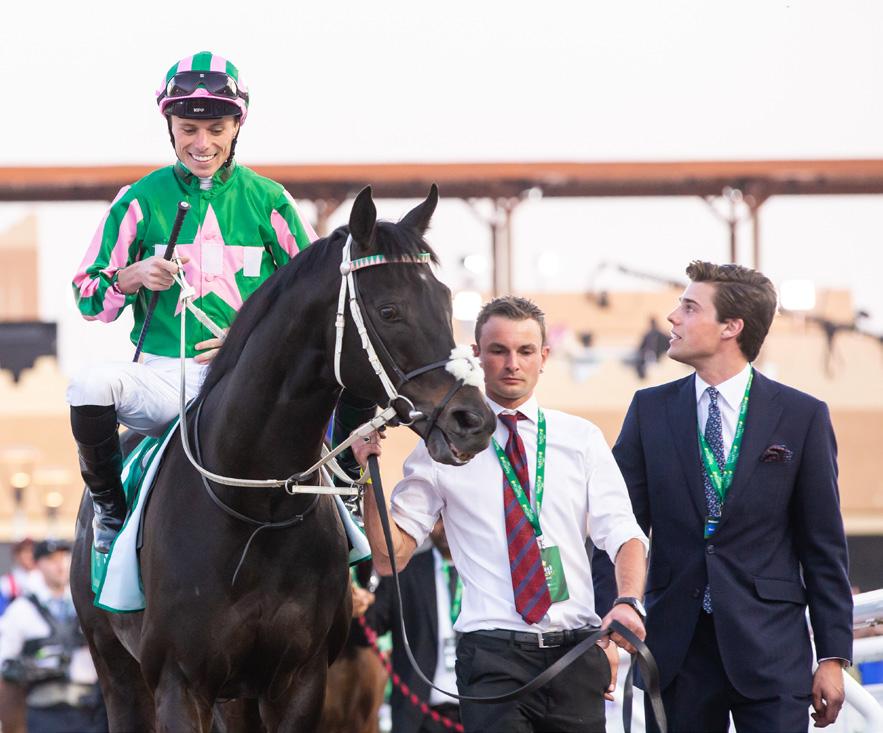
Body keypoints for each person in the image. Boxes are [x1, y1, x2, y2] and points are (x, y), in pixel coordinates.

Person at [355, 296, 649, 733]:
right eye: (499, 350)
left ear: (544, 356)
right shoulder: (442, 447)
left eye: (525, 351)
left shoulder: (581, 438)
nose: (513, 363)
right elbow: (388, 558)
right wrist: (368, 474)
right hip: (491, 657)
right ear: (476, 355)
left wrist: (628, 602)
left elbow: (624, 534)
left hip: (575, 653)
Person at [67, 51, 317, 553]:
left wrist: (247, 341)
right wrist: (130, 277)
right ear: (171, 128)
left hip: (249, 378)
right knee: (88, 385)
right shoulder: (139, 198)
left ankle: (349, 531)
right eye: (188, 129)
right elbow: (88, 298)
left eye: (216, 129)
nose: (202, 144)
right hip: (164, 378)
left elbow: (314, 299)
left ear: (236, 127)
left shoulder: (271, 199)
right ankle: (109, 510)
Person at [594, 261, 852, 732]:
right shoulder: (649, 410)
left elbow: (824, 547)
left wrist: (833, 656)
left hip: (772, 651)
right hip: (675, 650)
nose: (672, 316)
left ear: (732, 326)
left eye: (690, 307)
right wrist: (609, 616)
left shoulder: (802, 416)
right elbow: (613, 527)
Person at [365, 518, 462, 733]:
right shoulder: (403, 573)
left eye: (450, 516)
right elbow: (368, 628)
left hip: (480, 713)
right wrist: (355, 602)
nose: (445, 526)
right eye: (438, 518)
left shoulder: (486, 572)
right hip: (419, 716)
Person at [0, 540, 106, 733]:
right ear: (37, 564)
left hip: (91, 711)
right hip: (43, 712)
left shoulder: (89, 606)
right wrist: (32, 666)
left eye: (64, 557)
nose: (60, 565)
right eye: (51, 559)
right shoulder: (21, 611)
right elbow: (5, 662)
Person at [0, 539, 40, 613]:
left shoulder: (45, 580)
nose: (30, 555)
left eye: (32, 551)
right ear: (17, 556)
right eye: (25, 551)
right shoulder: (6, 583)